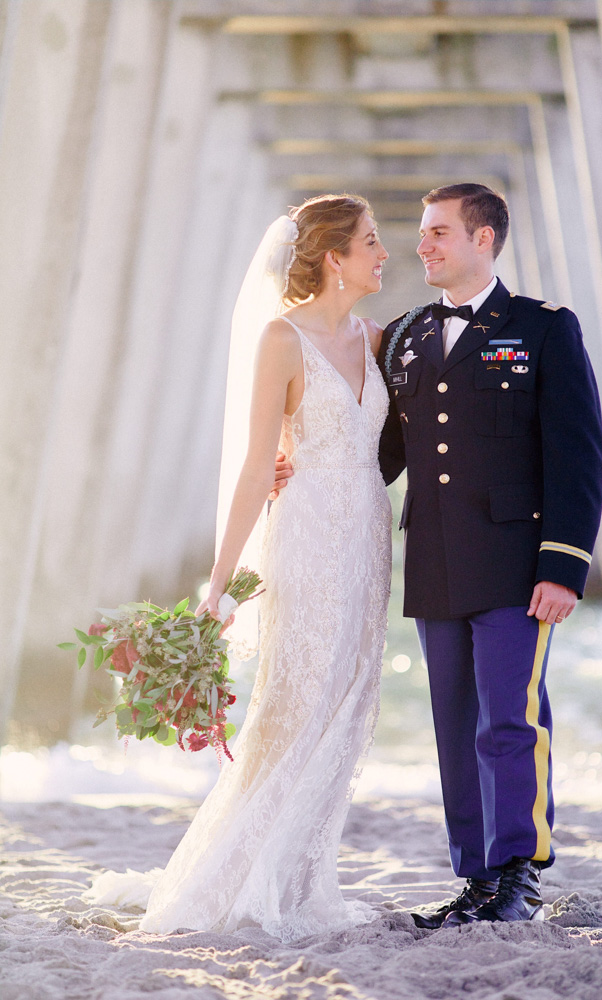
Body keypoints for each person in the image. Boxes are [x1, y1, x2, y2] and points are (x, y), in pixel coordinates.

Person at [274, 183, 602, 926]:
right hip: (433, 557)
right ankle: (479, 877)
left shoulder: (545, 328)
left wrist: (565, 565)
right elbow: (377, 447)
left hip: (519, 563)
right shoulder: (406, 335)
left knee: (510, 721)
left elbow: (578, 454)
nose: (422, 245)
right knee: (455, 724)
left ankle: (519, 872)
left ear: (484, 239)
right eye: (422, 233)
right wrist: (296, 466)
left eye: (439, 232)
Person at [86, 194, 392, 942]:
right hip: (308, 536)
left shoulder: (382, 338)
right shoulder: (280, 341)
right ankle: (229, 878)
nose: (386, 253)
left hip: (370, 542)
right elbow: (260, 467)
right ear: (333, 257)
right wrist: (218, 586)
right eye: (372, 241)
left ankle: (298, 875)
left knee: (348, 704)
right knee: (291, 709)